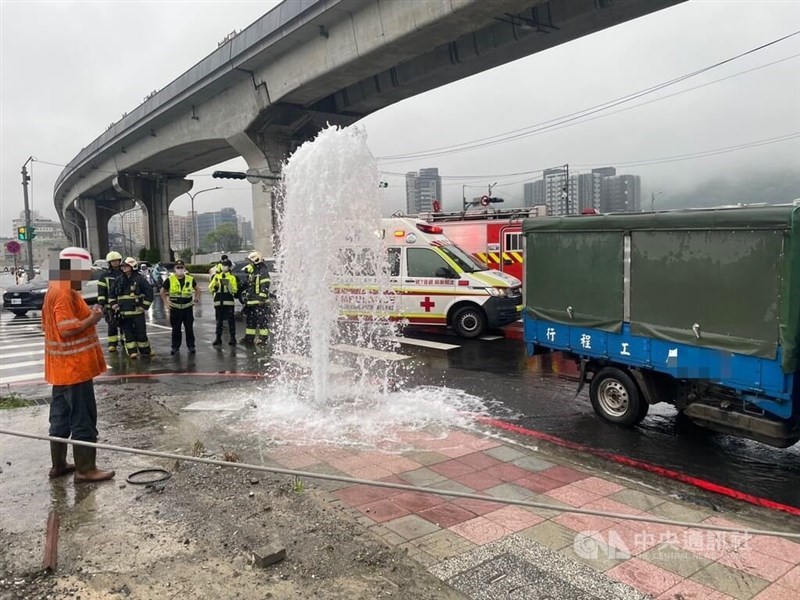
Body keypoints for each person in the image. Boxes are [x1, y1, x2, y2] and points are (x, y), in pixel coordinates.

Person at [43, 247, 114, 482]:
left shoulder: (57, 288)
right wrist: (93, 318)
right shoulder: (64, 292)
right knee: (82, 418)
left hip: (61, 369)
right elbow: (66, 327)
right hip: (75, 369)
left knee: (60, 418)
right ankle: (86, 469)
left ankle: (59, 464)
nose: (87, 277)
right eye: (85, 272)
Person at [110, 257, 154, 359]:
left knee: (141, 332)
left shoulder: (140, 279)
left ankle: (145, 351)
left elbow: (149, 293)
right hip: (124, 312)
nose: (123, 268)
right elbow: (111, 293)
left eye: (126, 266)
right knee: (128, 333)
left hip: (137, 311)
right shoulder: (119, 280)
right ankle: (132, 351)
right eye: (123, 266)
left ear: (132, 266)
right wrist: (113, 304)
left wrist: (144, 306)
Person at [160, 260, 200, 355]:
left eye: (181, 267)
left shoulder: (190, 279)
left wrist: (196, 300)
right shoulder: (170, 279)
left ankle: (191, 346)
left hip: (187, 308)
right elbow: (162, 291)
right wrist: (166, 303)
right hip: (175, 309)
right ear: (174, 269)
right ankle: (175, 347)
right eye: (178, 268)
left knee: (189, 328)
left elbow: (198, 289)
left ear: (184, 268)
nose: (180, 269)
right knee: (176, 329)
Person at [97, 251, 123, 352]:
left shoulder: (124, 273)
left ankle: (125, 342)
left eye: (116, 261)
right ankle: (112, 344)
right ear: (109, 263)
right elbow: (101, 290)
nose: (115, 263)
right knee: (112, 325)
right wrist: (102, 303)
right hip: (109, 305)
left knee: (124, 325)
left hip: (123, 303)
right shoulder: (104, 275)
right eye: (113, 261)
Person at [242, 250, 271, 345]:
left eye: (251, 261)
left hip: (259, 302)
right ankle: (249, 338)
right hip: (251, 302)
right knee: (250, 321)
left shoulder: (263, 271)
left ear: (256, 260)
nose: (249, 263)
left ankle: (263, 339)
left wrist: (261, 299)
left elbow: (265, 285)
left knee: (262, 321)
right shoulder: (254, 271)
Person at [208, 258, 238, 346]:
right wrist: (215, 286)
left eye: (226, 266)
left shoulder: (232, 277)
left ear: (229, 267)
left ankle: (232, 338)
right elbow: (210, 288)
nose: (224, 267)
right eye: (223, 265)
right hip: (218, 302)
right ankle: (218, 338)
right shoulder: (217, 276)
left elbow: (234, 290)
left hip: (228, 302)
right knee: (219, 321)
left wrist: (228, 284)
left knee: (230, 321)